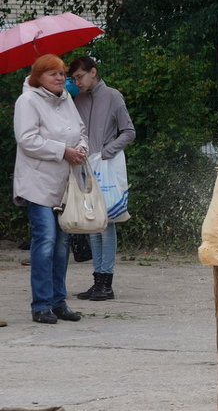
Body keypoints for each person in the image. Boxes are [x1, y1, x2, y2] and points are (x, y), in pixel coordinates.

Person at [13, 54, 88, 324]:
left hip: (64, 183)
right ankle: (41, 305)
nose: (60, 78)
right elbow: (27, 140)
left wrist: (81, 149)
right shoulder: (28, 101)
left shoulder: (66, 99)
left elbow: (81, 131)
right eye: (53, 74)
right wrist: (63, 151)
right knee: (45, 241)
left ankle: (58, 302)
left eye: (61, 73)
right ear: (38, 78)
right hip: (37, 184)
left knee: (61, 245)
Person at [67, 56, 136, 301]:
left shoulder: (113, 96)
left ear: (93, 72)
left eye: (80, 77)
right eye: (74, 78)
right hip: (85, 165)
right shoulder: (78, 99)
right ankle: (98, 280)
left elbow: (129, 131)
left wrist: (107, 151)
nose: (77, 82)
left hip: (105, 164)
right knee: (92, 224)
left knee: (106, 224)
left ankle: (106, 281)